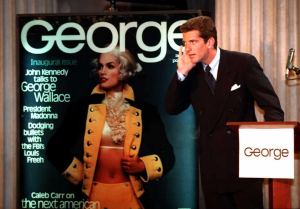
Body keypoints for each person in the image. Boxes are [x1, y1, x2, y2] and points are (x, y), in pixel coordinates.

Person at [165, 16, 284, 209]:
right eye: (185, 43)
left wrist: (270, 148)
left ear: (210, 41)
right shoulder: (190, 72)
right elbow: (171, 108)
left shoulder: (242, 63)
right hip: (212, 166)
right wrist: (181, 73)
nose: (187, 48)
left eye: (193, 42)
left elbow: (272, 106)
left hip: (245, 163)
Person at [47, 46, 175, 209]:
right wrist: (80, 174)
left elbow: (168, 156)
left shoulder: (146, 111)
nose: (102, 71)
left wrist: (143, 165)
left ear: (124, 70)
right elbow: (54, 148)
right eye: (100, 66)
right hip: (94, 197)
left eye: (110, 66)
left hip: (131, 198)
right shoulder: (80, 108)